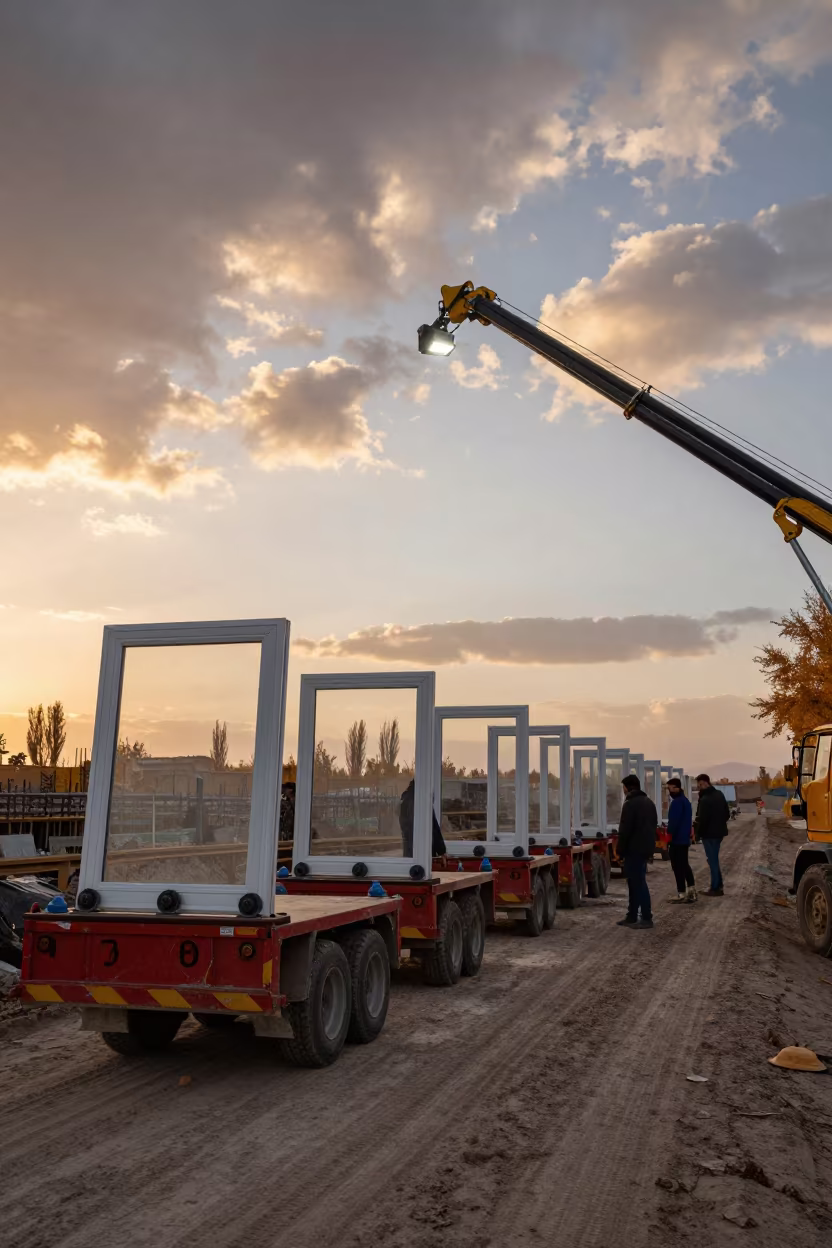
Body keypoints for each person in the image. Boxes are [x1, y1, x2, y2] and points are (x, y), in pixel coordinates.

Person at [616, 773, 658, 929]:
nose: (623, 790)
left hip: (633, 849)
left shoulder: (629, 805)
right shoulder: (649, 803)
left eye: (624, 787)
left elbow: (624, 830)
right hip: (645, 848)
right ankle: (632, 916)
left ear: (628, 787)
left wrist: (619, 851)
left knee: (638, 883)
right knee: (635, 882)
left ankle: (646, 917)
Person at [694, 773, 730, 896]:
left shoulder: (705, 799)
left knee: (712, 860)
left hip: (709, 835)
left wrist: (697, 834)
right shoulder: (719, 795)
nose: (698, 787)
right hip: (719, 833)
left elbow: (701, 820)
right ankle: (718, 885)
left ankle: (715, 887)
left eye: (699, 785)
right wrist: (719, 824)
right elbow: (727, 814)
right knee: (713, 859)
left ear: (704, 783)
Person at [666, 777, 696, 903]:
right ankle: (691, 891)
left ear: (676, 788)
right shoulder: (686, 801)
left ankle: (681, 893)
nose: (669, 791)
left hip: (677, 840)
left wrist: (668, 836)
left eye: (670, 788)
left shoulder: (677, 803)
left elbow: (673, 822)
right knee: (684, 864)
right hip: (684, 839)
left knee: (677, 866)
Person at [399, 779, 447, 857]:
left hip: (410, 852)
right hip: (424, 853)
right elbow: (433, 827)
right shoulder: (422, 802)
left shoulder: (406, 801)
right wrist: (441, 851)